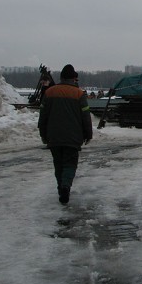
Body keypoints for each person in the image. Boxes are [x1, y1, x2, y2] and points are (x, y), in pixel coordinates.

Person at [38, 64, 93, 204]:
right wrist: (88, 134)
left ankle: (60, 187)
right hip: (73, 137)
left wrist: (43, 134)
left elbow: (43, 116)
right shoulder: (79, 94)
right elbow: (85, 116)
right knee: (70, 163)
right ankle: (65, 186)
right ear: (73, 79)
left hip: (54, 136)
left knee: (58, 164)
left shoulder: (49, 92)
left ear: (62, 77)